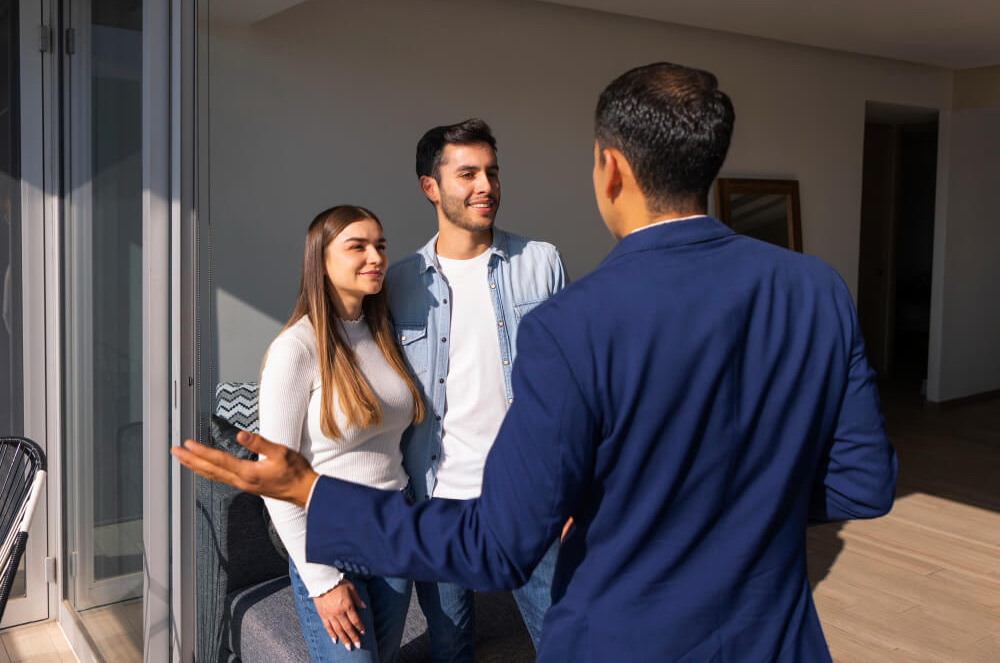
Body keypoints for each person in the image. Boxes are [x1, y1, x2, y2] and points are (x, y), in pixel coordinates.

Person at [174, 62, 897, 662]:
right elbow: (864, 482)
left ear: (609, 168)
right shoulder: (818, 289)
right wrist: (741, 502)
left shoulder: (568, 318)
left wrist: (313, 491)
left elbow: (497, 547)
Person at [385, 118, 567, 660]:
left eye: (491, 171)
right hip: (439, 501)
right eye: (467, 173)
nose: (485, 185)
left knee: (565, 636)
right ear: (430, 187)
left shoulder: (541, 262)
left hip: (531, 497)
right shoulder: (398, 281)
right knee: (451, 645)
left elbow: (571, 386)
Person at [257, 205, 425, 661]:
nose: (376, 257)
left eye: (381, 246)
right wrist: (322, 581)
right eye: (358, 246)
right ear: (321, 259)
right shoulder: (297, 348)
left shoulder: (383, 334)